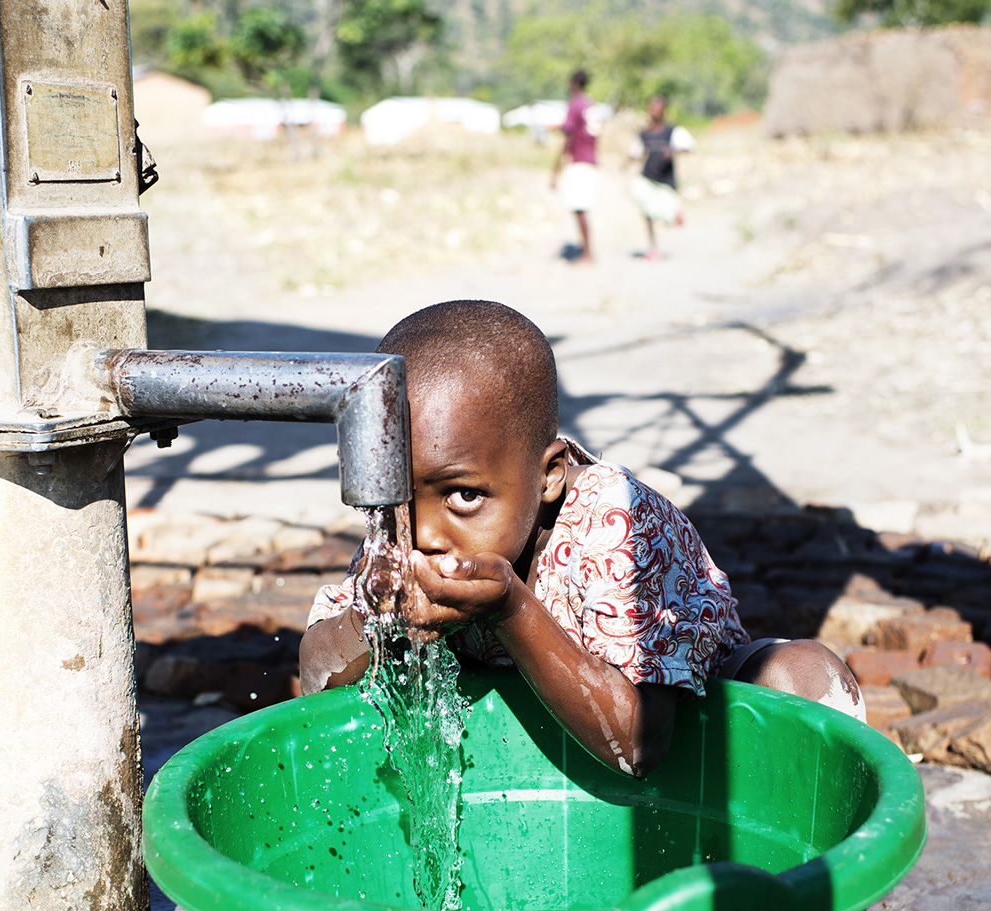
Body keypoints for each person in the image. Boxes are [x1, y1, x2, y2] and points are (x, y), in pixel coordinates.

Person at [298, 299, 864, 778]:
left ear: (548, 476)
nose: (424, 535)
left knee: (805, 675)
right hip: (531, 762)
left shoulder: (615, 525)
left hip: (693, 745)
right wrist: (372, 620)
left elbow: (640, 745)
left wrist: (510, 607)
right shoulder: (400, 540)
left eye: (464, 496)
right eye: (395, 500)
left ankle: (803, 877)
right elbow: (318, 679)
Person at [628, 95, 693, 261]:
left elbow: (689, 147)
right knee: (647, 213)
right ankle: (653, 248)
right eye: (652, 108)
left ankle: (675, 215)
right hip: (648, 178)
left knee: (666, 213)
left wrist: (673, 151)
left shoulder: (672, 131)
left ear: (664, 111)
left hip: (666, 181)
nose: (654, 112)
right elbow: (635, 153)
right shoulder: (644, 134)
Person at [551, 70, 599, 264]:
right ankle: (588, 250)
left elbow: (568, 137)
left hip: (579, 160)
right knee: (582, 208)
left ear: (574, 84)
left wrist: (556, 168)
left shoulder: (575, 104)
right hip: (590, 160)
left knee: (579, 208)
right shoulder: (591, 104)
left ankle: (588, 254)